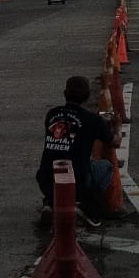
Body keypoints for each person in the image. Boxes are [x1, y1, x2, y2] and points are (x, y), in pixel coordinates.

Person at [36, 75, 122, 225]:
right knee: (106, 166)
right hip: (77, 180)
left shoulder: (52, 114)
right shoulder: (92, 120)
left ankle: (50, 203)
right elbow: (115, 142)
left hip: (45, 177)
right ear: (87, 96)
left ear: (65, 93)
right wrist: (118, 127)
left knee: (58, 168)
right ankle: (84, 206)